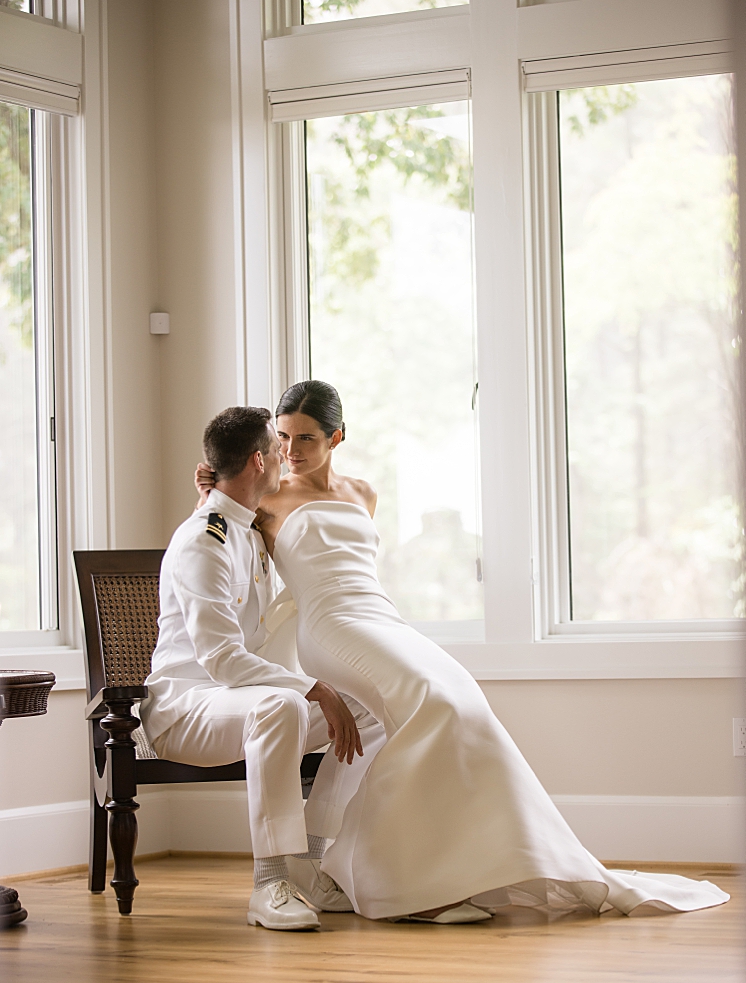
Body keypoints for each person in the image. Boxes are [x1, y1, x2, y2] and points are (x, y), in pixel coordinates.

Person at [209, 379, 729, 921]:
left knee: (461, 702)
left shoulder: (363, 492)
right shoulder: (266, 498)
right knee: (432, 706)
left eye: (307, 439)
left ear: (337, 437)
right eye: (285, 437)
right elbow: (217, 528)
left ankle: (450, 870)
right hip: (332, 627)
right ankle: (403, 885)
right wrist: (208, 487)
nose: (291, 452)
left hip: (381, 617)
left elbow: (358, 568)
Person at [142, 406, 389, 931]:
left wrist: (331, 686)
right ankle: (270, 882)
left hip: (240, 701)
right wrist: (314, 687)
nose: (288, 459)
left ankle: (312, 864)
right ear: (259, 460)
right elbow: (222, 660)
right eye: (279, 449)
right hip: (185, 707)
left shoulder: (249, 530)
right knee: (280, 705)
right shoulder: (201, 542)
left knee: (368, 706)